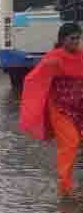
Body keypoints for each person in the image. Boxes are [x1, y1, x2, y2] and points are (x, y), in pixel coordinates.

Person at [20, 22, 83, 197]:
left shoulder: (81, 56)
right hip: (60, 107)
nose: (76, 42)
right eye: (72, 38)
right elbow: (34, 80)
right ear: (62, 40)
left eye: (78, 38)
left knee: (74, 143)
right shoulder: (53, 58)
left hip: (78, 107)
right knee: (70, 142)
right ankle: (65, 189)